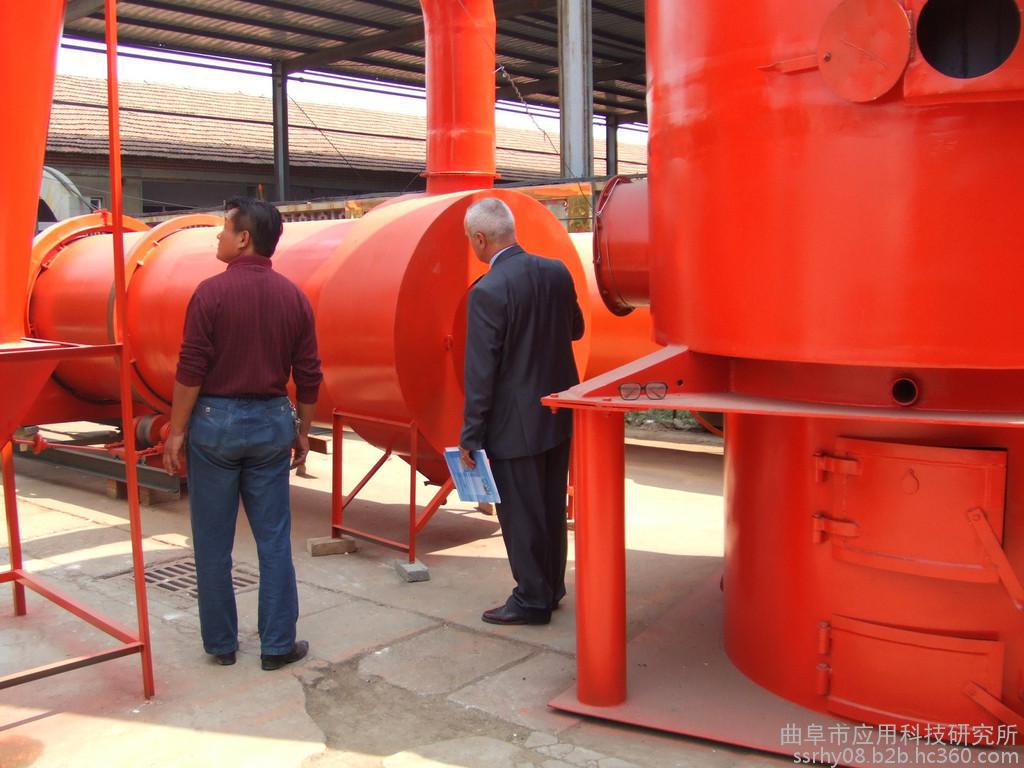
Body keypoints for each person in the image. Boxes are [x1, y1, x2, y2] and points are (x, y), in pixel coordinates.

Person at [163, 197, 322, 669]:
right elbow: (309, 374)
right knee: (273, 539)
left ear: (244, 238)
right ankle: (277, 645)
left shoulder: (209, 294)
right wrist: (302, 430)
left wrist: (176, 431)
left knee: (213, 540)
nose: (219, 236)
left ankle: (221, 644)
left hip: (216, 425)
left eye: (224, 229)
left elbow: (191, 369)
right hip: (272, 422)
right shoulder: (293, 297)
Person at [459, 198, 584, 625]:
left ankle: (531, 599)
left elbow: (481, 373)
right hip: (557, 413)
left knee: (520, 513)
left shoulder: (488, 291)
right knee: (549, 505)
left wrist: (470, 436)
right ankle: (551, 588)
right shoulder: (556, 272)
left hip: (514, 424)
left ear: (480, 238)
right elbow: (576, 329)